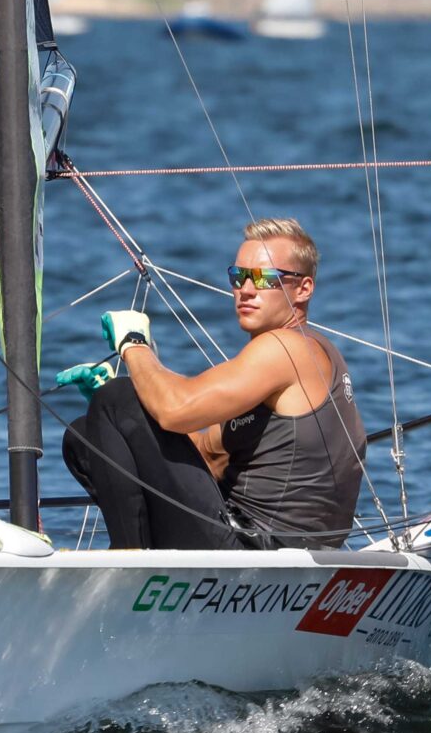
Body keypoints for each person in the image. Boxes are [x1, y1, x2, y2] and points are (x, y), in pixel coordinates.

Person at [56, 217, 366, 549]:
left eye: (263, 279)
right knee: (87, 434)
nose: (245, 290)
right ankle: (141, 562)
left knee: (118, 396)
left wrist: (133, 344)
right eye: (238, 276)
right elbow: (204, 455)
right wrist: (122, 413)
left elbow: (176, 410)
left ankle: (130, 564)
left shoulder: (286, 347)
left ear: (303, 289)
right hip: (248, 541)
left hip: (262, 553)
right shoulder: (298, 354)